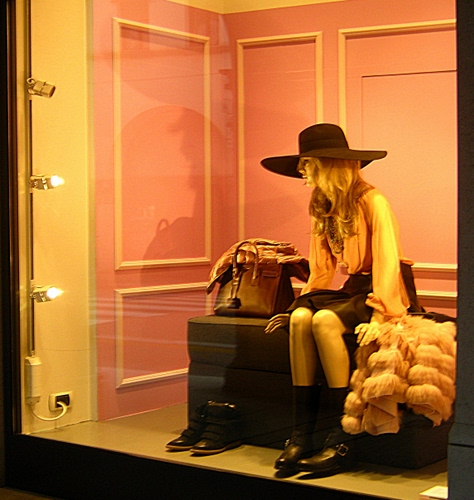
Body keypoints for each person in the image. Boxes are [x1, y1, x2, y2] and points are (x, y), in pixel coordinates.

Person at [261, 123, 415, 476]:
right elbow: (321, 269)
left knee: (325, 321)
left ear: (328, 164)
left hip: (383, 287)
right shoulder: (322, 204)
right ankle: (302, 435)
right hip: (352, 289)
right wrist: (299, 305)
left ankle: (342, 437)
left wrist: (381, 315)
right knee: (303, 319)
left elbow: (388, 261)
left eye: (307, 164)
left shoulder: (373, 200)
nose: (302, 171)